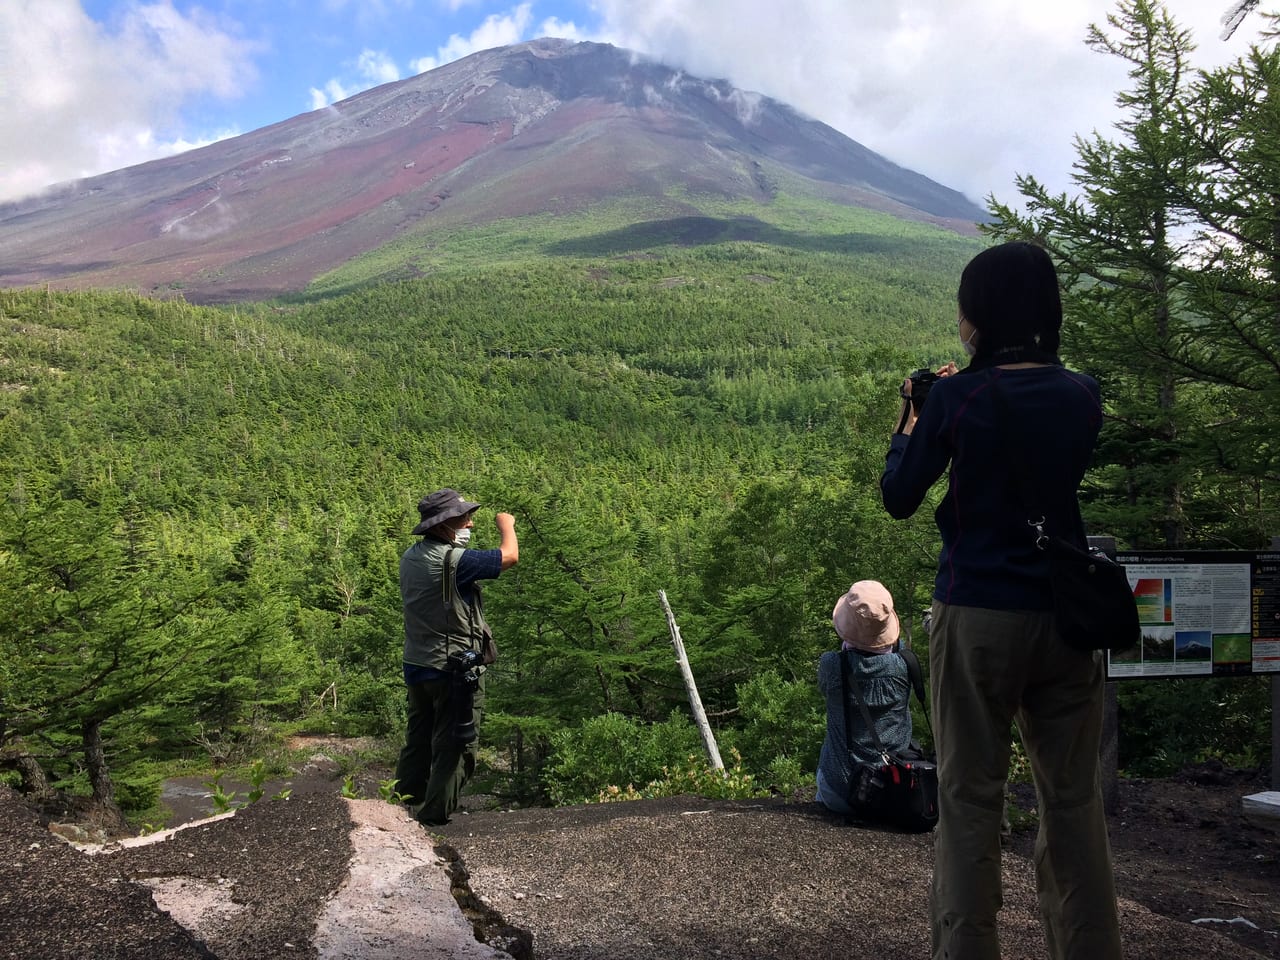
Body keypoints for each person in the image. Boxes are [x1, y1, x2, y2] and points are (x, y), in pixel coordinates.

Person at [879, 241, 1121, 960]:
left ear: (976, 315)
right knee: (1075, 804)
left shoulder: (957, 397)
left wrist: (916, 416)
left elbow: (900, 497)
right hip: (1067, 616)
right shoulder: (1083, 394)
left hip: (978, 612)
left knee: (968, 802)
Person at [394, 488, 518, 827]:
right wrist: (506, 524)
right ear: (445, 525)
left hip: (418, 665)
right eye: (464, 518)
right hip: (452, 669)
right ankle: (431, 821)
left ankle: (398, 810)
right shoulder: (452, 562)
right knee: (457, 745)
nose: (470, 524)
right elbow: (509, 557)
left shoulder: (411, 557)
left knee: (418, 740)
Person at [815, 580, 913, 815]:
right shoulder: (905, 665)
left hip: (841, 790)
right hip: (896, 788)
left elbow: (825, 687)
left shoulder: (832, 665)